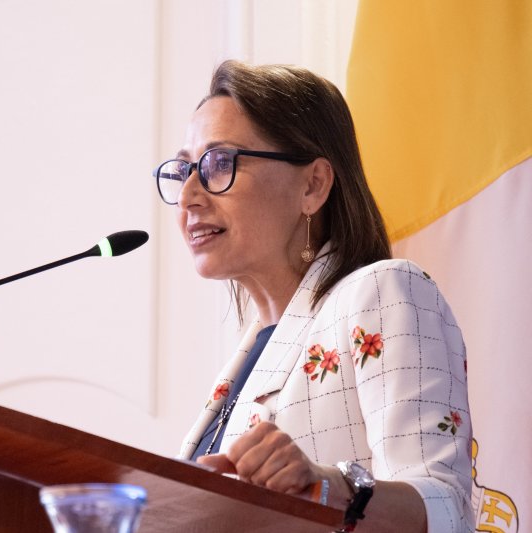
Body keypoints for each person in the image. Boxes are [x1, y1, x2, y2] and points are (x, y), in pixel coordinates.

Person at [153, 60, 473, 532]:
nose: (188, 196)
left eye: (220, 163)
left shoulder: (383, 292)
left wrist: (330, 487)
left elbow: (447, 510)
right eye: (185, 170)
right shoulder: (249, 354)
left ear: (313, 185)